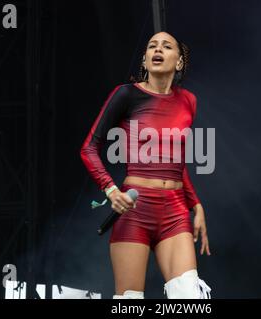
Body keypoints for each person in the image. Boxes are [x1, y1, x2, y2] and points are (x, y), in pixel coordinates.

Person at [80, 31, 211, 299]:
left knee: (189, 297)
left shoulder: (188, 101)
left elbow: (177, 164)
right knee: (130, 303)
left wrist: (195, 204)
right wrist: (111, 191)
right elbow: (89, 149)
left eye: (166, 45)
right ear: (145, 59)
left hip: (174, 210)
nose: (157, 49)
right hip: (134, 211)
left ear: (179, 62)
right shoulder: (126, 95)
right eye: (152, 46)